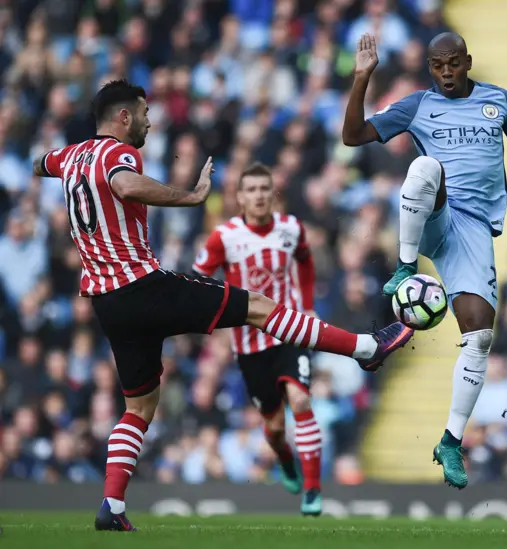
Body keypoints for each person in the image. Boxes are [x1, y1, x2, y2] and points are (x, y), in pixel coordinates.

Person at [32, 79, 414, 531]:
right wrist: (189, 196)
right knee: (257, 305)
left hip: (106, 302)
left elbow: (40, 163)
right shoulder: (119, 153)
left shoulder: (69, 156)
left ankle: (111, 506)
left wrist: (52, 169)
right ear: (122, 118)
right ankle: (364, 348)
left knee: (139, 407)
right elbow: (127, 185)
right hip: (141, 286)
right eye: (144, 112)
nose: (150, 121)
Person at [342, 33, 507, 489]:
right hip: (436, 215)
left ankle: (451, 441)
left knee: (479, 336)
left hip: (474, 230)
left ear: (467, 61)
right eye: (437, 66)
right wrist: (362, 78)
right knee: (426, 168)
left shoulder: (498, 101)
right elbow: (353, 135)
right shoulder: (417, 104)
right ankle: (405, 269)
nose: (445, 73)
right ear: (429, 67)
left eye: (452, 64)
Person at [193, 162, 323, 516]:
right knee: (276, 426)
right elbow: (197, 280)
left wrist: (307, 307)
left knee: (300, 400)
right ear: (240, 198)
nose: (259, 195)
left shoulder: (291, 228)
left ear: (273, 193)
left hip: (290, 331)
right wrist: (215, 324)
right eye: (251, 190)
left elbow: (306, 263)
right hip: (249, 345)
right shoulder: (225, 236)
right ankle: (284, 458)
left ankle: (313, 490)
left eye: (265, 189)